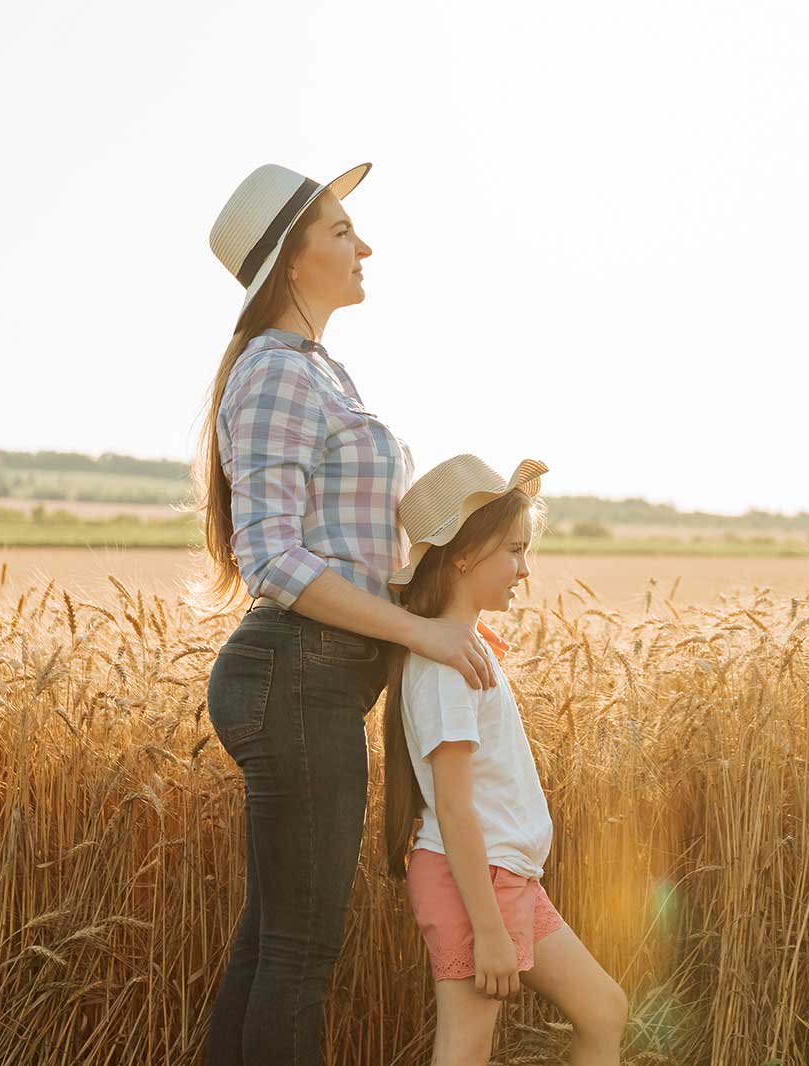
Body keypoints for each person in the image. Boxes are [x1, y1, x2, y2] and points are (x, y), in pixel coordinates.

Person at [193, 161, 501, 1066]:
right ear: (292, 261)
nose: (363, 245)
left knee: (272, 943)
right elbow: (273, 560)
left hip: (309, 679)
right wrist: (419, 632)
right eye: (339, 230)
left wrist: (440, 605)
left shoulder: (320, 372)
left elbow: (348, 553)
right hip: (292, 674)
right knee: (300, 951)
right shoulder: (276, 374)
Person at [383, 454, 629, 1066]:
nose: (525, 570)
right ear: (464, 555)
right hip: (478, 882)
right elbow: (454, 804)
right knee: (465, 1050)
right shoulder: (446, 665)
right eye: (514, 552)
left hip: (504, 875)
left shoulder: (462, 648)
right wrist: (488, 928)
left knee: (604, 1008)